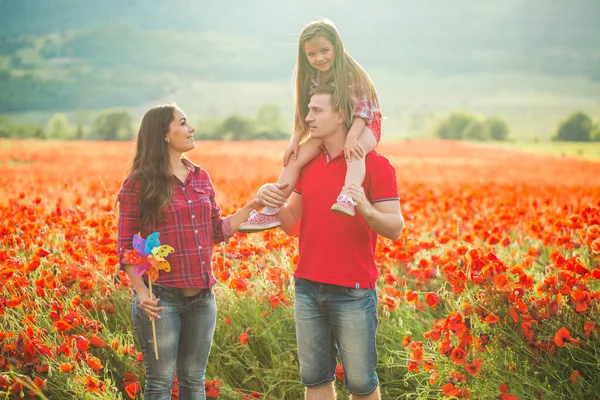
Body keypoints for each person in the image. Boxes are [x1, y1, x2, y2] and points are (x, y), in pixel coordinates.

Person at [254, 85, 404, 400]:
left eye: (317, 111)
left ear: (340, 116)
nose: (308, 118)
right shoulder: (307, 164)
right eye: (308, 110)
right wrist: (269, 201)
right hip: (307, 286)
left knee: (361, 385)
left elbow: (395, 228)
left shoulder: (375, 165)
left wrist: (364, 207)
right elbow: (292, 225)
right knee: (315, 380)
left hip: (353, 290)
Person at [116, 104, 261, 400]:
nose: (192, 128)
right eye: (183, 123)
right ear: (165, 135)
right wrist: (142, 293)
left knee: (195, 381)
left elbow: (216, 231)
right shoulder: (140, 182)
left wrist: (252, 207)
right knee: (160, 382)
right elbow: (126, 245)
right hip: (161, 298)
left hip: (202, 299)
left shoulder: (200, 176)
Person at [239, 18, 382, 232]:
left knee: (356, 152)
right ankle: (270, 212)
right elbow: (305, 113)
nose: (319, 58)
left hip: (365, 124)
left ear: (337, 47)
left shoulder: (352, 73)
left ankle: (348, 197)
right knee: (294, 159)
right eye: (312, 54)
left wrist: (352, 137)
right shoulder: (313, 77)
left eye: (325, 50)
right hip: (330, 127)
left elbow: (363, 111)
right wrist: (295, 140)